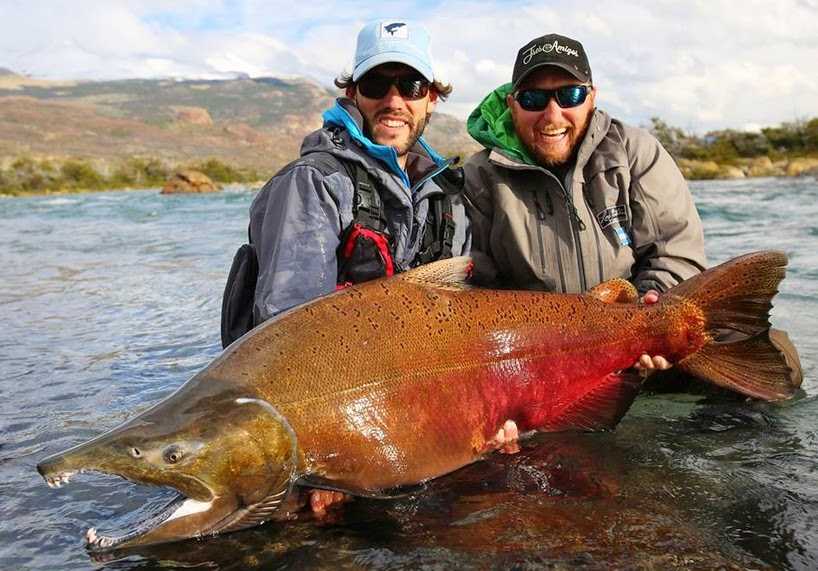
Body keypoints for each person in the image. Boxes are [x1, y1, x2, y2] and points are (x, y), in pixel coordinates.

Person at [221, 19, 471, 515]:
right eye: (378, 84)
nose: (394, 100)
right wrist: (334, 460)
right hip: (323, 424)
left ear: (431, 98)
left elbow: (460, 334)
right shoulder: (312, 184)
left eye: (411, 85)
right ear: (353, 93)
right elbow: (288, 342)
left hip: (410, 411)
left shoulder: (452, 198)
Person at [463, 33, 802, 380]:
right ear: (511, 103)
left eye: (570, 95)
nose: (552, 115)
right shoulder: (479, 177)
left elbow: (674, 248)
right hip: (542, 356)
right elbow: (476, 289)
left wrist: (651, 305)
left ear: (592, 98)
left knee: (779, 359)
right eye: (533, 98)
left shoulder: (634, 151)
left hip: (640, 325)